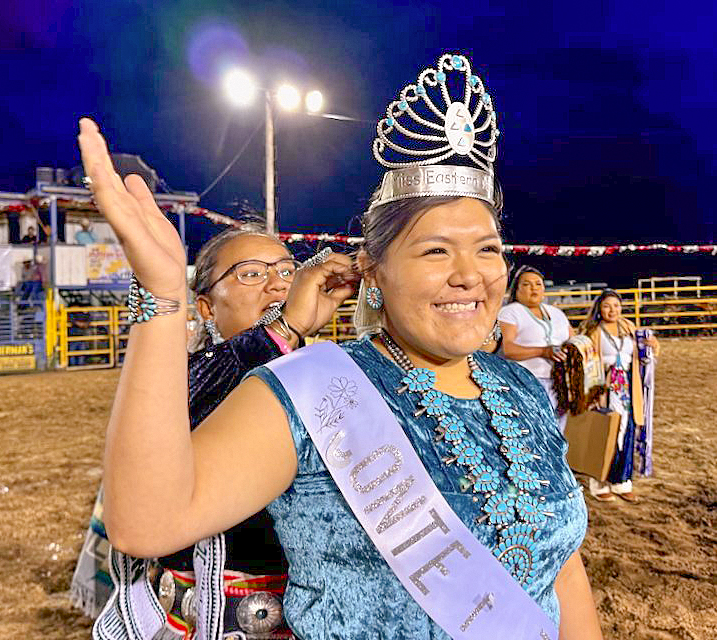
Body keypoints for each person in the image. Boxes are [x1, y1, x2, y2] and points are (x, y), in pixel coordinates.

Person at [79, 52, 601, 640]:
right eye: (435, 251)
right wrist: (162, 297)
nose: (469, 274)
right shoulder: (313, 387)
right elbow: (145, 522)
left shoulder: (519, 390)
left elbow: (560, 569)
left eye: (487, 249)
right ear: (372, 273)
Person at [80, 225, 351, 639]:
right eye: (251, 274)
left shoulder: (332, 379)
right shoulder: (179, 379)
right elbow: (199, 392)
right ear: (206, 307)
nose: (278, 285)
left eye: (285, 271)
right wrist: (282, 330)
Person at [578, 289, 659, 503]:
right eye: (607, 306)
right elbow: (586, 360)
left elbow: (641, 355)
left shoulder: (628, 327)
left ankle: (622, 482)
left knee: (627, 430)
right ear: (599, 308)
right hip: (604, 387)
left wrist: (652, 347)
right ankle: (600, 483)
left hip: (628, 388)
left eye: (616, 305)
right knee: (605, 431)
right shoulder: (593, 331)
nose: (612, 310)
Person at [498, 266, 574, 433]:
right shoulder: (510, 312)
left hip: (559, 381)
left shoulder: (557, 313)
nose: (533, 288)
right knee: (533, 432)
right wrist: (542, 351)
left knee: (558, 432)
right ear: (516, 289)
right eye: (526, 284)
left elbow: (573, 342)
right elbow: (507, 349)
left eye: (538, 284)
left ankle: (557, 460)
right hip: (526, 380)